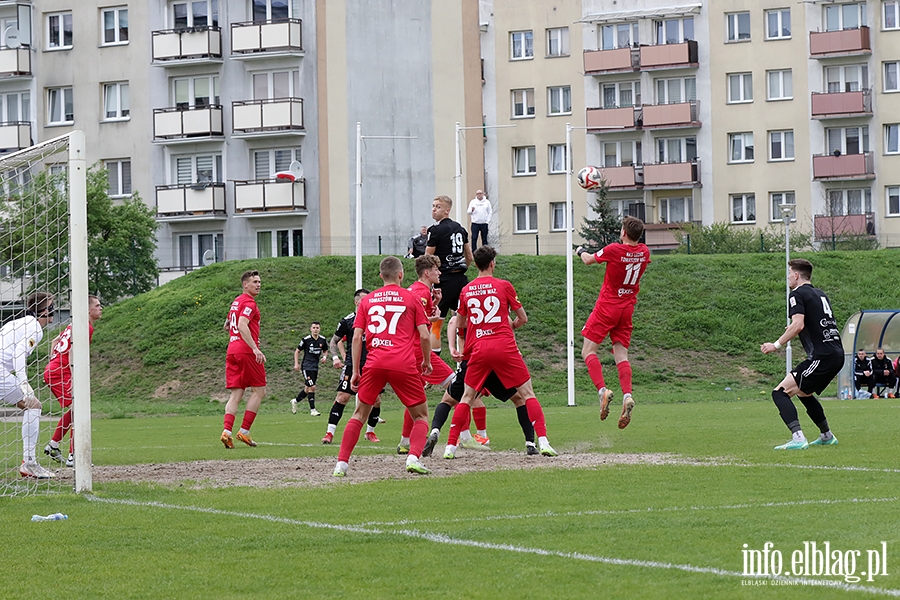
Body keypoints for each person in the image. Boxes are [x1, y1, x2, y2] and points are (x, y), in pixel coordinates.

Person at [443, 245, 558, 459]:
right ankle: (543, 441)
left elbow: (460, 322)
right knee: (527, 394)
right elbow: (523, 318)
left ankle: (450, 447)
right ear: (492, 264)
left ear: (475, 264)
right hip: (504, 346)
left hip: (479, 349)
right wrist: (511, 325)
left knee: (467, 397)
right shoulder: (504, 286)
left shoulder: (466, 290)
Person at [333, 256, 432, 477]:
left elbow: (357, 338)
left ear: (380, 276)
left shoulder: (368, 301)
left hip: (375, 362)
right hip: (403, 363)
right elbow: (424, 335)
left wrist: (356, 371)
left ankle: (341, 464)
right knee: (421, 416)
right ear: (401, 274)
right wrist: (426, 361)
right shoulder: (411, 297)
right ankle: (413, 457)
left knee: (359, 414)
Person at [576, 215, 651, 430]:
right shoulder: (644, 252)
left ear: (624, 233)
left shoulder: (615, 250)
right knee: (621, 355)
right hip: (627, 308)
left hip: (607, 306)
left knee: (588, 351)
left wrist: (580, 250)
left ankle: (603, 392)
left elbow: (589, 260)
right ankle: (627, 395)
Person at [761, 258, 843, 449]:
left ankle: (798, 438)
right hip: (836, 353)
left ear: (796, 275)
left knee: (780, 393)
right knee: (804, 392)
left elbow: (798, 324)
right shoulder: (820, 294)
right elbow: (813, 323)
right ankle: (826, 435)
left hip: (822, 357)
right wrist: (794, 328)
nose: (788, 277)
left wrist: (776, 344)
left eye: (789, 273)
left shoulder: (796, 294)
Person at [396, 255, 467, 454]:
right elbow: (413, 322)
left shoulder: (417, 290)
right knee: (457, 386)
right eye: (437, 270)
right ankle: (461, 436)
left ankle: (404, 442)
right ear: (427, 273)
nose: (440, 273)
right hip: (418, 350)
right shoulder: (421, 292)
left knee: (415, 398)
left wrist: (434, 309)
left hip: (407, 349)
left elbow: (416, 316)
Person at [43, 295, 103, 468]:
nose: (100, 308)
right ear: (88, 310)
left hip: (54, 370)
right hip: (61, 372)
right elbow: (72, 352)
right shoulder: (85, 327)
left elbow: (55, 341)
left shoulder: (73, 325)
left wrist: (52, 362)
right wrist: (74, 376)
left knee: (75, 409)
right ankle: (73, 456)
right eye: (97, 305)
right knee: (79, 410)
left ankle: (54, 445)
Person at [1, 292, 55, 479]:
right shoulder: (35, 328)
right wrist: (24, 382)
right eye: (51, 307)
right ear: (44, 311)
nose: (53, 312)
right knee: (34, 406)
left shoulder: (17, 323)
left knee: (29, 406)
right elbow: (18, 354)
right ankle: (29, 463)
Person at [322, 288, 385, 445]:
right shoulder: (348, 321)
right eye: (364, 299)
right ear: (357, 302)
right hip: (352, 364)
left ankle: (370, 432)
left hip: (372, 365)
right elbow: (334, 341)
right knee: (343, 397)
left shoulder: (377, 320)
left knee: (376, 400)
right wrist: (335, 357)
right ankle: (330, 433)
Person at [221, 270, 266, 449]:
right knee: (259, 391)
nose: (258, 284)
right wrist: (254, 347)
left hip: (232, 350)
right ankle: (244, 431)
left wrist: (248, 336)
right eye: (254, 281)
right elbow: (241, 324)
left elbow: (228, 326)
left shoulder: (236, 302)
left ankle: (227, 432)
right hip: (246, 352)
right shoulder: (249, 303)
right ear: (245, 284)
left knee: (236, 394)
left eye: (259, 282)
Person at [425, 195, 472, 353]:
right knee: (463, 320)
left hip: (443, 281)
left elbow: (427, 258)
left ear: (447, 210)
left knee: (436, 323)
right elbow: (469, 257)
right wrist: (461, 266)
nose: (433, 209)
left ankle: (435, 361)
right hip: (461, 280)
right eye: (433, 206)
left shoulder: (436, 230)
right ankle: (464, 359)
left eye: (438, 206)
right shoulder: (460, 228)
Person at [291, 322, 328, 416]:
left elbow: (325, 350)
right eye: (314, 327)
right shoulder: (306, 340)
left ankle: (295, 401)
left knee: (307, 389)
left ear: (320, 329)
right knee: (312, 387)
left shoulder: (322, 340)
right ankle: (313, 410)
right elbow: (297, 351)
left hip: (315, 367)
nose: (315, 329)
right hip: (306, 366)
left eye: (317, 328)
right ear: (310, 329)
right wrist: (296, 364)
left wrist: (324, 357)